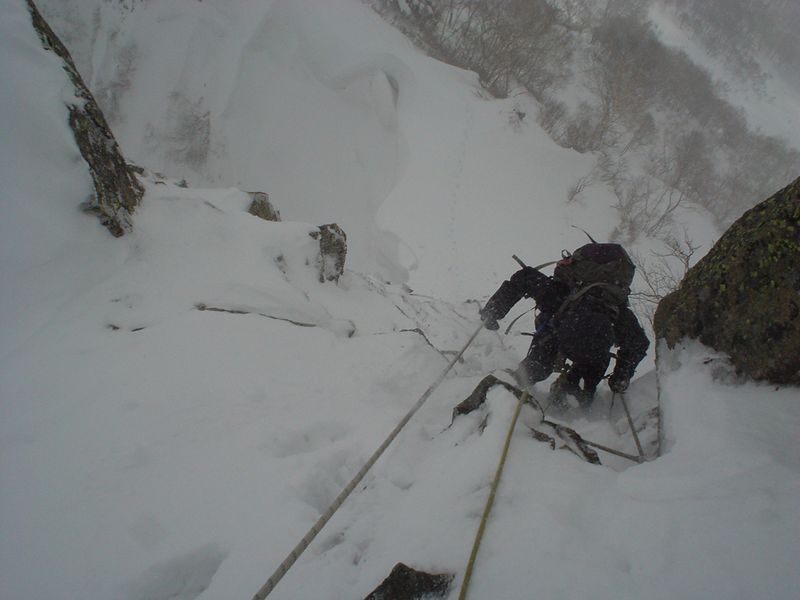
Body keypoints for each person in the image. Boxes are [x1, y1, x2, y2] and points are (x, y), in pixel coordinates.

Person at [479, 244, 649, 407]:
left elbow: (525, 278)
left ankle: (510, 392)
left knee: (531, 372)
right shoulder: (615, 309)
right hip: (594, 354)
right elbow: (639, 343)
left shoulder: (562, 293)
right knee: (578, 393)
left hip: (556, 334)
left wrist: (492, 312)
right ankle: (574, 403)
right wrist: (621, 376)